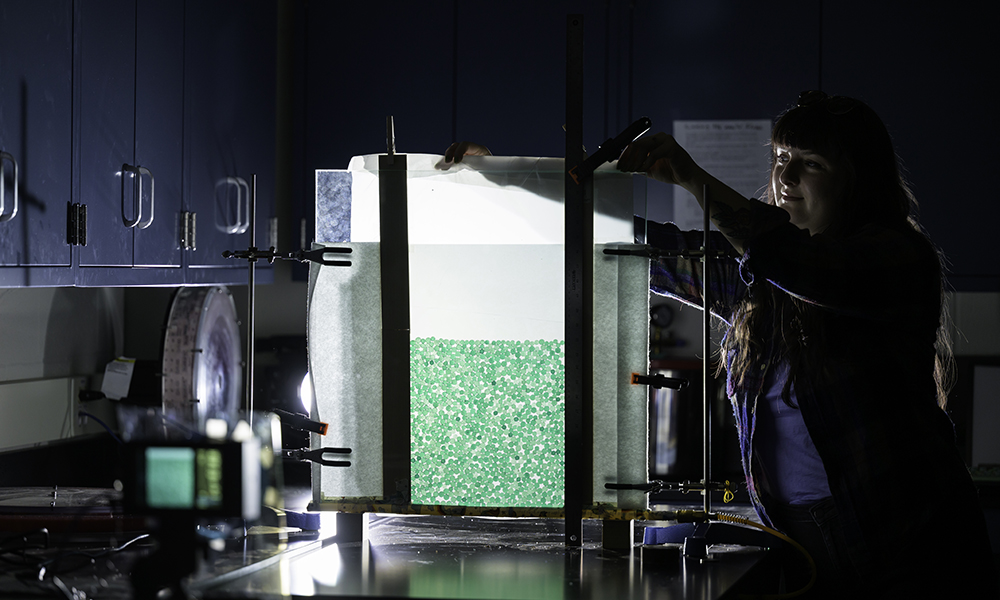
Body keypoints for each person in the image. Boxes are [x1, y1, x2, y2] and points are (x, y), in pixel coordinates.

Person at [447, 91, 997, 598]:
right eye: (781, 157)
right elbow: (647, 249)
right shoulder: (764, 276)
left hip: (901, 536)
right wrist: (502, 182)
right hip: (797, 537)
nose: (787, 177)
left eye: (812, 163)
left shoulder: (896, 259)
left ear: (859, 180)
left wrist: (690, 176)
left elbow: (800, 266)